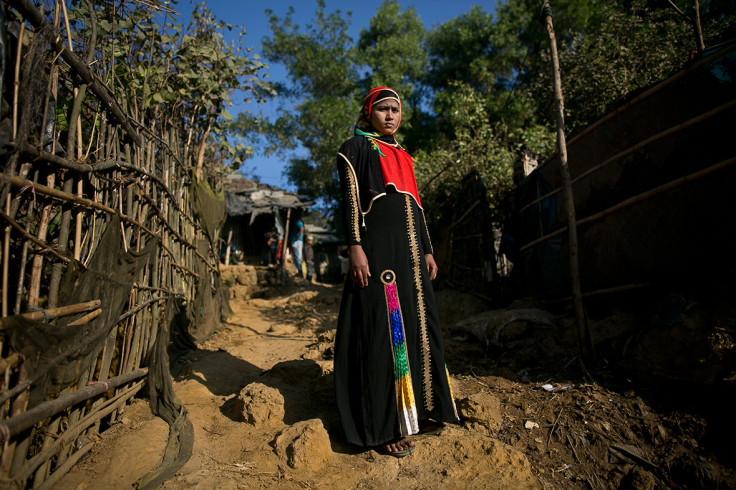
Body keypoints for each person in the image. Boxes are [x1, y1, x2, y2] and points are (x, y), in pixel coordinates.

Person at [334, 87, 459, 458]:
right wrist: (355, 246)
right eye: (383, 109)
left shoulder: (403, 155)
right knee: (383, 329)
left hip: (411, 256)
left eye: (395, 110)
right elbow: (351, 201)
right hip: (378, 251)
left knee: (419, 323)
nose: (390, 115)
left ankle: (420, 409)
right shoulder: (355, 149)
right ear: (368, 112)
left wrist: (429, 250)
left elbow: (415, 206)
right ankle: (382, 426)